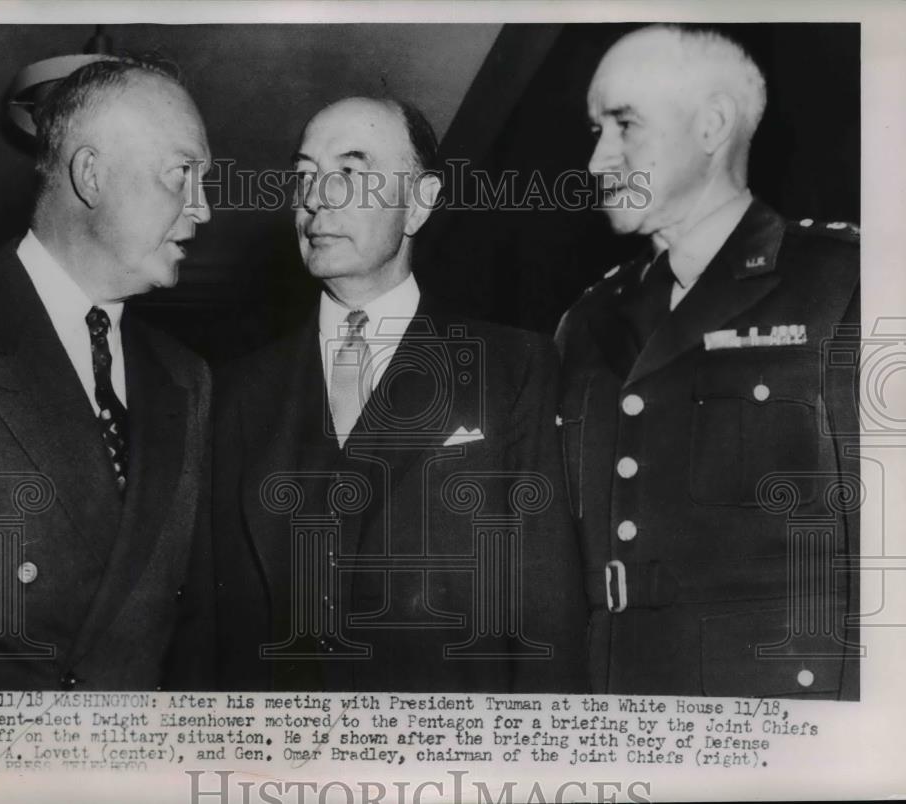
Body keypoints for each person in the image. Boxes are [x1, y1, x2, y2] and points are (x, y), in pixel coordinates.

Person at [215, 96, 587, 692]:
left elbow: (547, 611)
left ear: (419, 203)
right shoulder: (237, 390)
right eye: (305, 175)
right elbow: (214, 625)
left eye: (350, 173)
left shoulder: (513, 368)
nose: (316, 198)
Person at [556, 25, 859, 698]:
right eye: (595, 130)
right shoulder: (588, 320)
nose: (598, 161)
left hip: (777, 712)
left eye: (625, 125)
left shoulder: (844, 285)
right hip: (616, 706)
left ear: (712, 124)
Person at [0, 58, 214, 690]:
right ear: (91, 175)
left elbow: (190, 625)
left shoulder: (186, 380)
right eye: (183, 175)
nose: (203, 209)